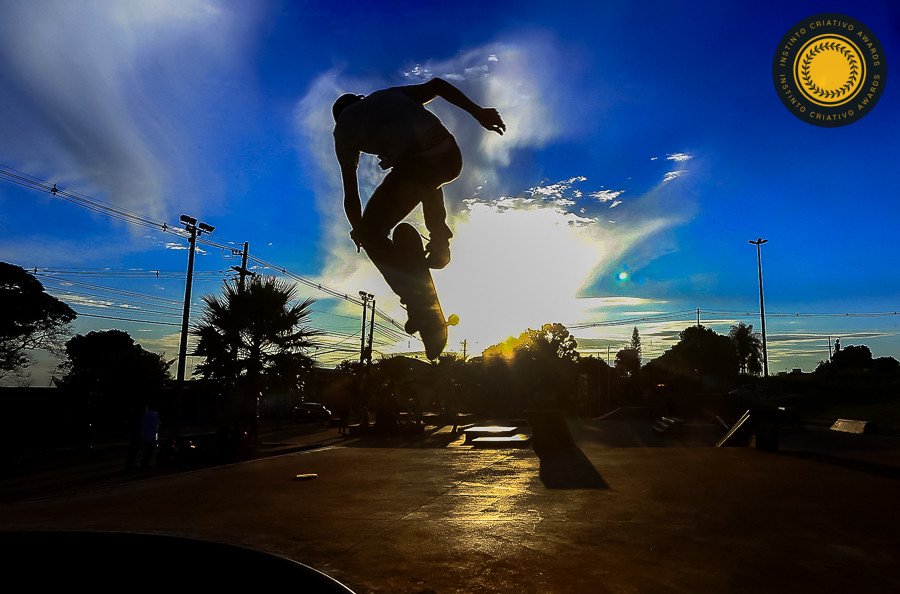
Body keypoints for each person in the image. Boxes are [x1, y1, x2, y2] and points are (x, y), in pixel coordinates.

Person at [332, 78, 505, 352]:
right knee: (424, 173)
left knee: (374, 228)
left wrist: (360, 230)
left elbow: (351, 195)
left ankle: (417, 301)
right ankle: (439, 242)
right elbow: (437, 84)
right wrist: (478, 112)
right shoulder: (387, 94)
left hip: (417, 165)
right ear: (360, 99)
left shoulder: (343, 128)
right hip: (450, 156)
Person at [140, 404, 161, 469]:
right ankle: (146, 465)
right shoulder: (154, 414)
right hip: (151, 436)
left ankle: (143, 465)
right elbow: (157, 425)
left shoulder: (145, 414)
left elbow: (142, 423)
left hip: (144, 436)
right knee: (150, 451)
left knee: (145, 451)